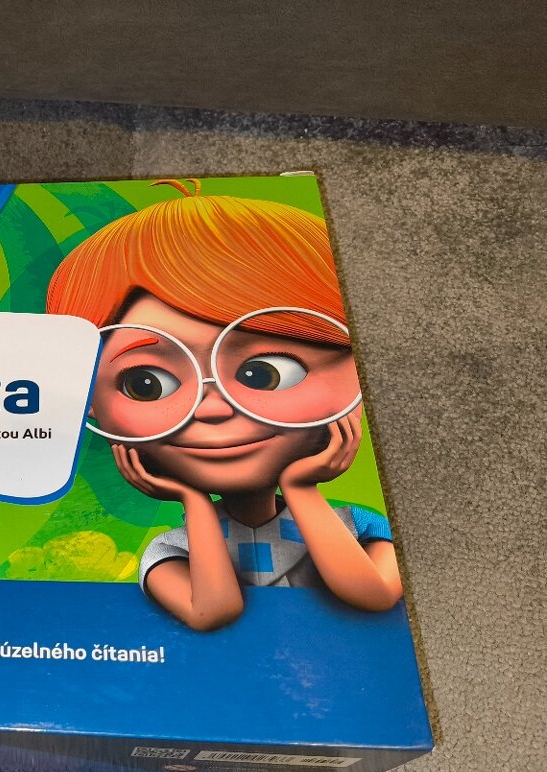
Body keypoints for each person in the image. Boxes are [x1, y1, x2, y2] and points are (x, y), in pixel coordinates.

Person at [46, 179, 403, 631]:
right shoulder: (171, 550)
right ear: (91, 400)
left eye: (265, 373)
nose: (212, 409)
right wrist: (193, 502)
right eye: (146, 384)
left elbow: (374, 595)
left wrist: (301, 488)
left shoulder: (360, 526)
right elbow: (213, 611)